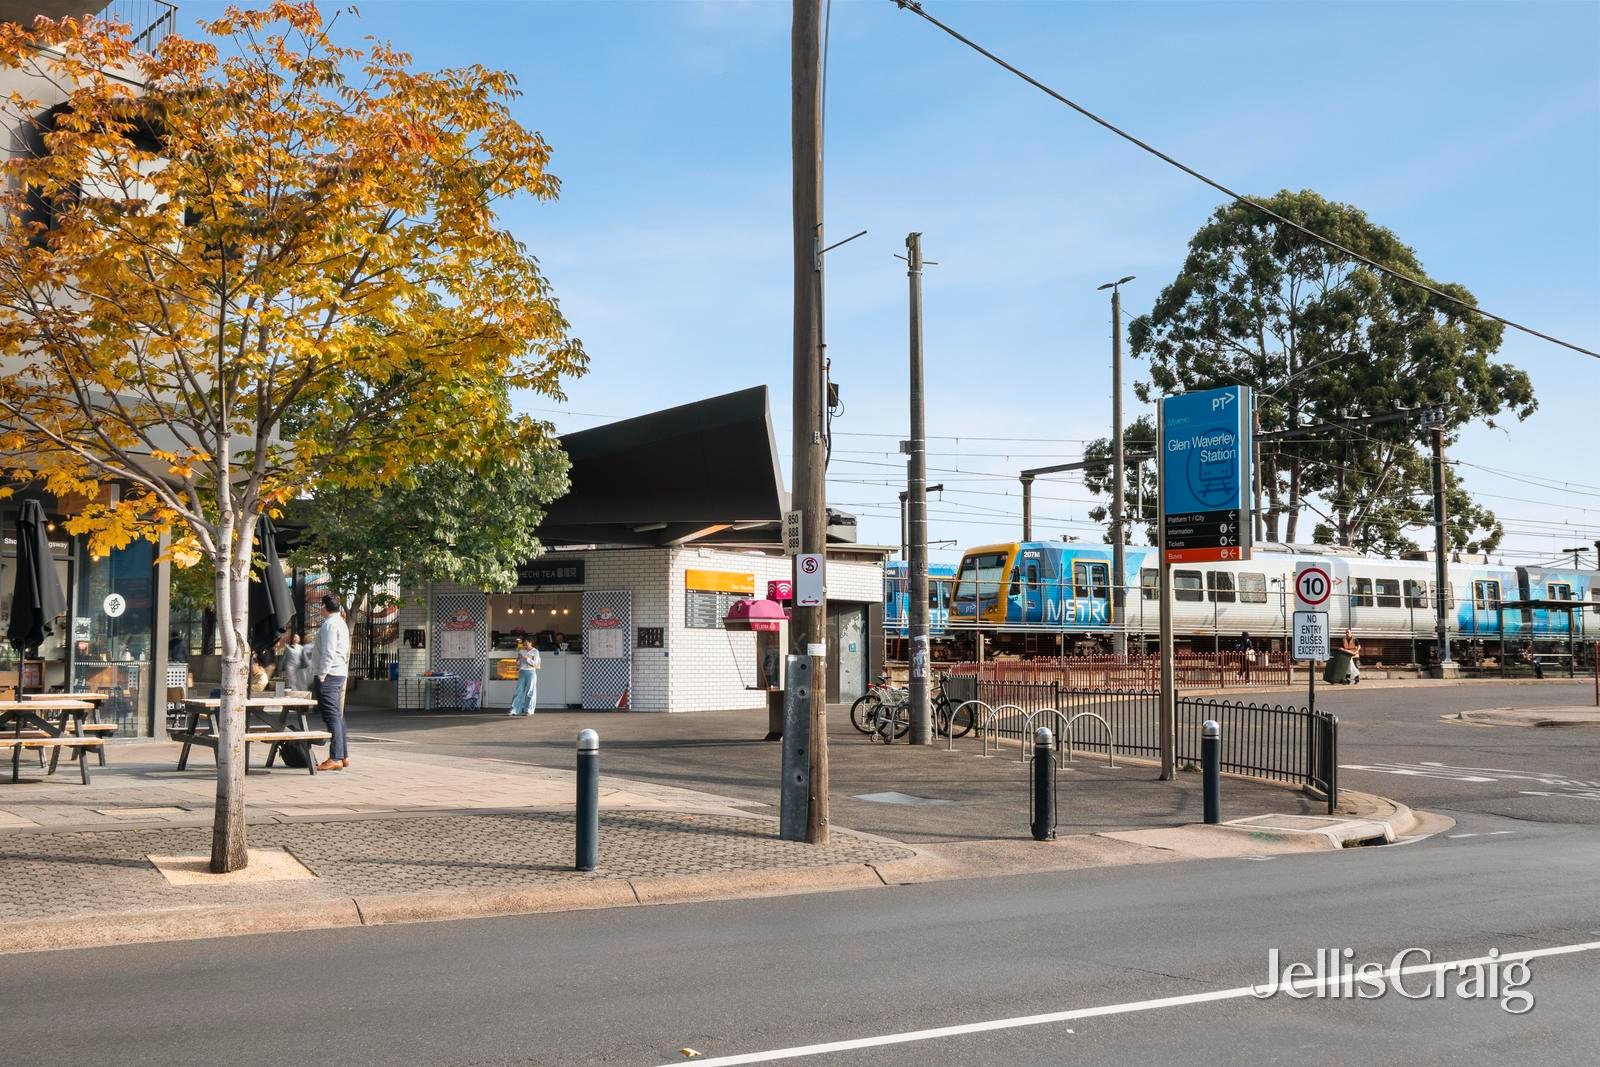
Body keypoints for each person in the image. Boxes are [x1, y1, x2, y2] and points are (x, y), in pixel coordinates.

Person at [312, 593, 351, 770]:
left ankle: (335, 757)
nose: (319, 608)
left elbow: (328, 652)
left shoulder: (329, 625)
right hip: (339, 672)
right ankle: (343, 755)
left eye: (320, 605)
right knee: (336, 715)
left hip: (329, 674)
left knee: (331, 716)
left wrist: (322, 674)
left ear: (324, 606)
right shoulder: (341, 623)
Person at [508, 637, 541, 717]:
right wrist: (518, 659)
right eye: (524, 643)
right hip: (522, 671)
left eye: (526, 643)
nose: (525, 645)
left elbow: (536, 664)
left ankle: (529, 710)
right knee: (518, 691)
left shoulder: (535, 651)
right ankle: (514, 710)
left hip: (531, 672)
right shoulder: (521, 651)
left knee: (530, 691)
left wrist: (527, 658)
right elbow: (518, 663)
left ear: (531, 642)